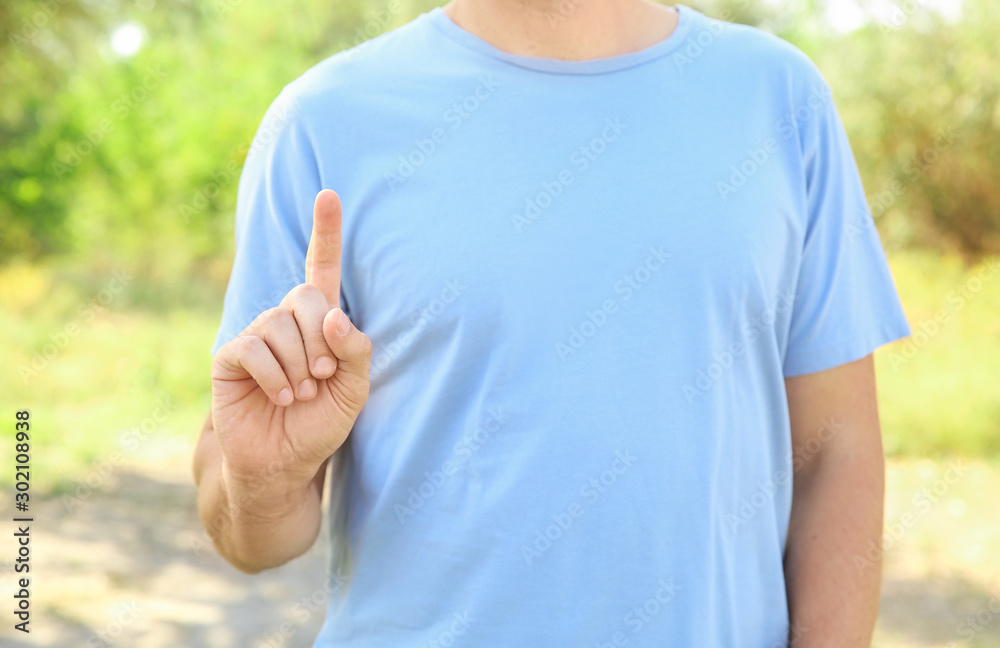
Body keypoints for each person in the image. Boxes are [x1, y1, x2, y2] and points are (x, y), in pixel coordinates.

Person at [192, 1, 911, 646]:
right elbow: (251, 535)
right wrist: (266, 479)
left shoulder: (779, 98)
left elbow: (836, 452)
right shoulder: (324, 120)